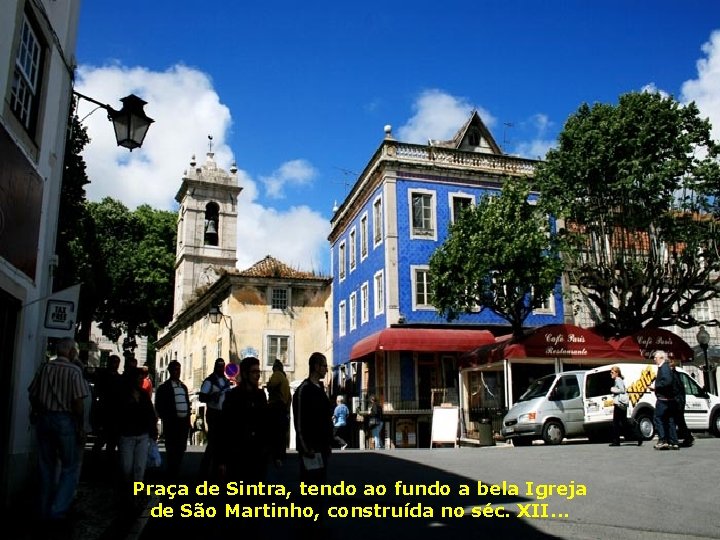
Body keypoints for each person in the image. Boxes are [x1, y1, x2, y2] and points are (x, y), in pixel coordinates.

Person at [27, 337, 89, 522]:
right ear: (71, 352)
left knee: (46, 466)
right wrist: (79, 424)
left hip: (44, 419)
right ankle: (58, 509)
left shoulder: (45, 368)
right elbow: (78, 402)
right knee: (69, 467)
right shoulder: (74, 371)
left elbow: (32, 393)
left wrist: (38, 411)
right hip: (65, 420)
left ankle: (44, 508)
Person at [218, 356, 270, 481]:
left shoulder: (261, 396)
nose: (257, 375)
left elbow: (266, 424)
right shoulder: (233, 396)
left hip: (257, 455)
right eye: (254, 372)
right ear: (245, 374)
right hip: (238, 455)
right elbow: (225, 429)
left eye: (259, 372)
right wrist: (222, 460)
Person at [117, 367, 158, 510]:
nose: (141, 380)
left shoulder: (144, 395)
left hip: (142, 435)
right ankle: (126, 494)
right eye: (139, 378)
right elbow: (117, 415)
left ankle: (135, 497)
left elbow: (150, 414)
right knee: (126, 468)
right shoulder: (123, 395)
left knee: (139, 468)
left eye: (141, 378)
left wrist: (153, 431)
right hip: (127, 435)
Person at [292, 352, 333, 482]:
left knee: (320, 485)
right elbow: (299, 422)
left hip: (323, 447)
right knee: (310, 486)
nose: (327, 369)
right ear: (316, 367)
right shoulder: (303, 390)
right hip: (310, 449)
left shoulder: (321, 389)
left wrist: (328, 443)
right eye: (324, 366)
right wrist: (305, 448)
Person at [155, 360, 191, 478]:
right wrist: (166, 417)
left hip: (183, 424)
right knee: (171, 450)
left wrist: (188, 420)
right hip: (172, 424)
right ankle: (171, 475)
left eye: (179, 369)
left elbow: (186, 404)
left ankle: (175, 471)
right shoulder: (164, 388)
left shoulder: (183, 387)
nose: (177, 372)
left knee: (181, 449)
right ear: (170, 371)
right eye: (175, 369)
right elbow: (158, 405)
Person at [198, 358, 231, 477]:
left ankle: (219, 469)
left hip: (224, 414)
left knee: (222, 443)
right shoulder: (209, 381)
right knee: (213, 443)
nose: (221, 368)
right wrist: (212, 397)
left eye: (223, 366)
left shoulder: (226, 381)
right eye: (219, 366)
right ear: (215, 367)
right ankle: (205, 470)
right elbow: (201, 397)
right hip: (213, 414)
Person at [92, 354, 124, 463]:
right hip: (104, 412)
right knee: (100, 440)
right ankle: (96, 461)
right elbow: (97, 393)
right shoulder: (102, 376)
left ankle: (109, 461)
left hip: (115, 414)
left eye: (117, 362)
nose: (115, 364)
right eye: (113, 362)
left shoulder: (119, 378)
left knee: (112, 442)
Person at [652, 350, 679, 450]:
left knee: (658, 418)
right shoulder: (666, 367)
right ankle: (674, 441)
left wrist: (657, 386)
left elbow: (667, 381)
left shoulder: (664, 367)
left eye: (656, 357)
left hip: (663, 399)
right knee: (670, 420)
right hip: (669, 399)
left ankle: (663, 440)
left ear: (661, 358)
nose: (654, 359)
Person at [266, 359, 291, 465]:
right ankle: (282, 454)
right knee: (281, 434)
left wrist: (268, 384)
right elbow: (289, 397)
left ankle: (276, 455)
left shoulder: (277, 375)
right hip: (283, 407)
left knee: (274, 433)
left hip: (276, 406)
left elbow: (272, 386)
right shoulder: (285, 379)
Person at [608, 366, 641, 446]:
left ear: (617, 373)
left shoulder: (618, 380)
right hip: (622, 404)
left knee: (616, 423)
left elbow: (622, 390)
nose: (611, 374)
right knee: (624, 423)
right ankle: (638, 437)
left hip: (619, 404)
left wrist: (613, 389)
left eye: (612, 372)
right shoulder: (619, 380)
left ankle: (616, 441)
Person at [670, 358, 694, 447]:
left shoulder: (674, 375)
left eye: (669, 362)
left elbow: (676, 389)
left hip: (677, 401)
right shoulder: (676, 374)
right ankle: (687, 437)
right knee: (679, 421)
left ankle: (686, 437)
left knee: (678, 421)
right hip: (678, 401)